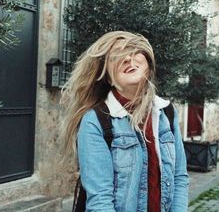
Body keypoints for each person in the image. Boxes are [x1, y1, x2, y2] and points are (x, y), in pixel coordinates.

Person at [61, 31, 189, 211]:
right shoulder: (96, 121)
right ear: (108, 77)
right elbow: (100, 200)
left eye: (134, 51)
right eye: (117, 57)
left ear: (149, 65)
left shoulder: (166, 113)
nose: (128, 58)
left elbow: (180, 177)